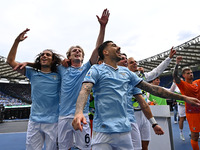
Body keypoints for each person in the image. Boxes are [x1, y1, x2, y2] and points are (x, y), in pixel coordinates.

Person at [72, 41, 200, 150]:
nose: (119, 48)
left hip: (124, 130)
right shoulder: (96, 70)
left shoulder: (127, 73)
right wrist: (78, 112)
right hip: (103, 131)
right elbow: (85, 89)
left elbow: (152, 89)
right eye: (114, 45)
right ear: (105, 52)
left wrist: (184, 97)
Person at [58, 9, 110, 150]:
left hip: (82, 114)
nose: (77, 52)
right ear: (68, 56)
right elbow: (45, 61)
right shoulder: (61, 68)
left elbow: (98, 48)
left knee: (85, 148)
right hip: (63, 116)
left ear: (82, 56)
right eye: (74, 50)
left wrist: (102, 27)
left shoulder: (87, 67)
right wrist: (61, 61)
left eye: (79, 51)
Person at [7, 28, 62, 150]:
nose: (44, 56)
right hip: (35, 121)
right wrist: (17, 41)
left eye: (48, 54)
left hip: (53, 122)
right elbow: (10, 61)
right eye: (42, 54)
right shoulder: (32, 73)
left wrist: (30, 63)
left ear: (53, 60)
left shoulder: (59, 74)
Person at [127, 48, 176, 150]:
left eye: (135, 61)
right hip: (132, 115)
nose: (135, 63)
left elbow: (156, 71)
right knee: (135, 147)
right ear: (126, 66)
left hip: (145, 114)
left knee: (145, 144)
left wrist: (169, 58)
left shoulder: (143, 77)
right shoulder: (124, 78)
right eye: (131, 63)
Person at [173, 56, 200, 150]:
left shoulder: (198, 82)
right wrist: (177, 64)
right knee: (195, 136)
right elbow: (175, 77)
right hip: (192, 113)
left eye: (191, 72)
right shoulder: (183, 85)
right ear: (183, 75)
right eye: (188, 73)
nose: (191, 74)